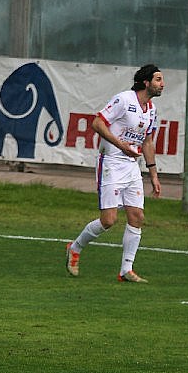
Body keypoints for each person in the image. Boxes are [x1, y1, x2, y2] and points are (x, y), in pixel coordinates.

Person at [65, 64, 164, 283]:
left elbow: (147, 141)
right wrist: (121, 146)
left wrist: (154, 174)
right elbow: (97, 123)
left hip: (132, 167)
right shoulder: (124, 100)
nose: (162, 84)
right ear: (146, 82)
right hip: (110, 162)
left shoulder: (152, 110)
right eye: (158, 80)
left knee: (137, 216)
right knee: (108, 220)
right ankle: (75, 247)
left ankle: (126, 270)